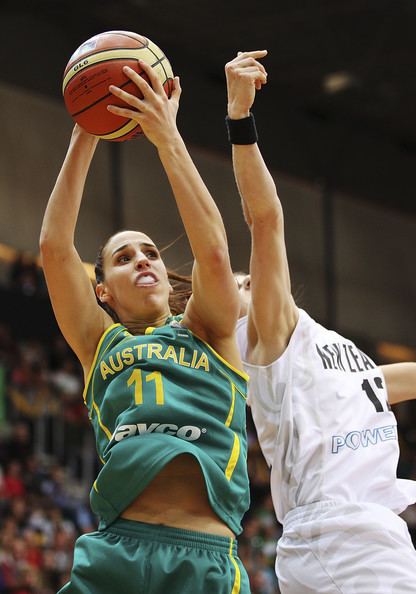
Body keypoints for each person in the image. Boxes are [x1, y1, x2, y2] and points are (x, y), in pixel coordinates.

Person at [40, 59, 251, 594]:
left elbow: (214, 251)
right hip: (114, 554)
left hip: (203, 558)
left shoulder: (208, 329)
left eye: (150, 252)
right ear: (102, 290)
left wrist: (167, 137)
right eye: (123, 256)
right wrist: (85, 131)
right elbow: (53, 249)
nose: (142, 260)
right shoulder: (99, 342)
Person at [225, 50, 416, 593]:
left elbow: (388, 382)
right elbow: (265, 220)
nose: (251, 280)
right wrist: (240, 121)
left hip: (359, 537)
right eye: (243, 283)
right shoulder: (264, 336)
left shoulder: (324, 357)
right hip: (342, 535)